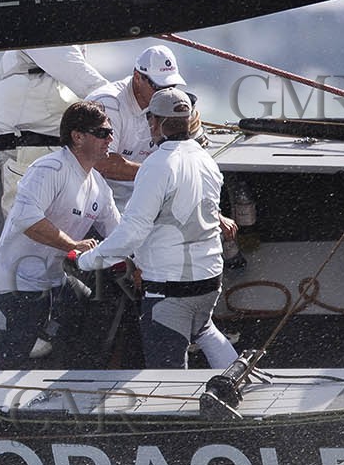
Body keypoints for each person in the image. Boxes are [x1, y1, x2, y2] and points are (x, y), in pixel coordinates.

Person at [75, 88, 240, 369]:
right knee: (203, 329)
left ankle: (175, 411)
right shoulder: (207, 161)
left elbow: (132, 233)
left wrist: (86, 261)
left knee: (168, 368)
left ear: (154, 122)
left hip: (171, 288)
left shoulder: (157, 165)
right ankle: (238, 380)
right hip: (210, 280)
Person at [0, 101, 121, 368]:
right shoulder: (50, 169)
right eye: (103, 133)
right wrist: (74, 244)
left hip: (52, 282)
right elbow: (27, 220)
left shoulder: (99, 187)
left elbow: (120, 234)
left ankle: (68, 369)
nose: (110, 139)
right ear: (78, 136)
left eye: (110, 133)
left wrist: (140, 265)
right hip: (13, 285)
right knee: (10, 367)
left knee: (93, 301)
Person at [0, 46, 109, 215]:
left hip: (52, 149)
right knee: (30, 228)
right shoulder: (45, 30)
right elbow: (82, 78)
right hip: (31, 150)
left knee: (62, 226)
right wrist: (122, 104)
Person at [87, 45, 186, 207]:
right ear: (137, 77)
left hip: (143, 200)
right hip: (100, 204)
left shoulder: (169, 103)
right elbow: (103, 163)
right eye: (159, 87)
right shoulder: (108, 103)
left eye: (171, 87)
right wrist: (160, 173)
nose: (166, 93)